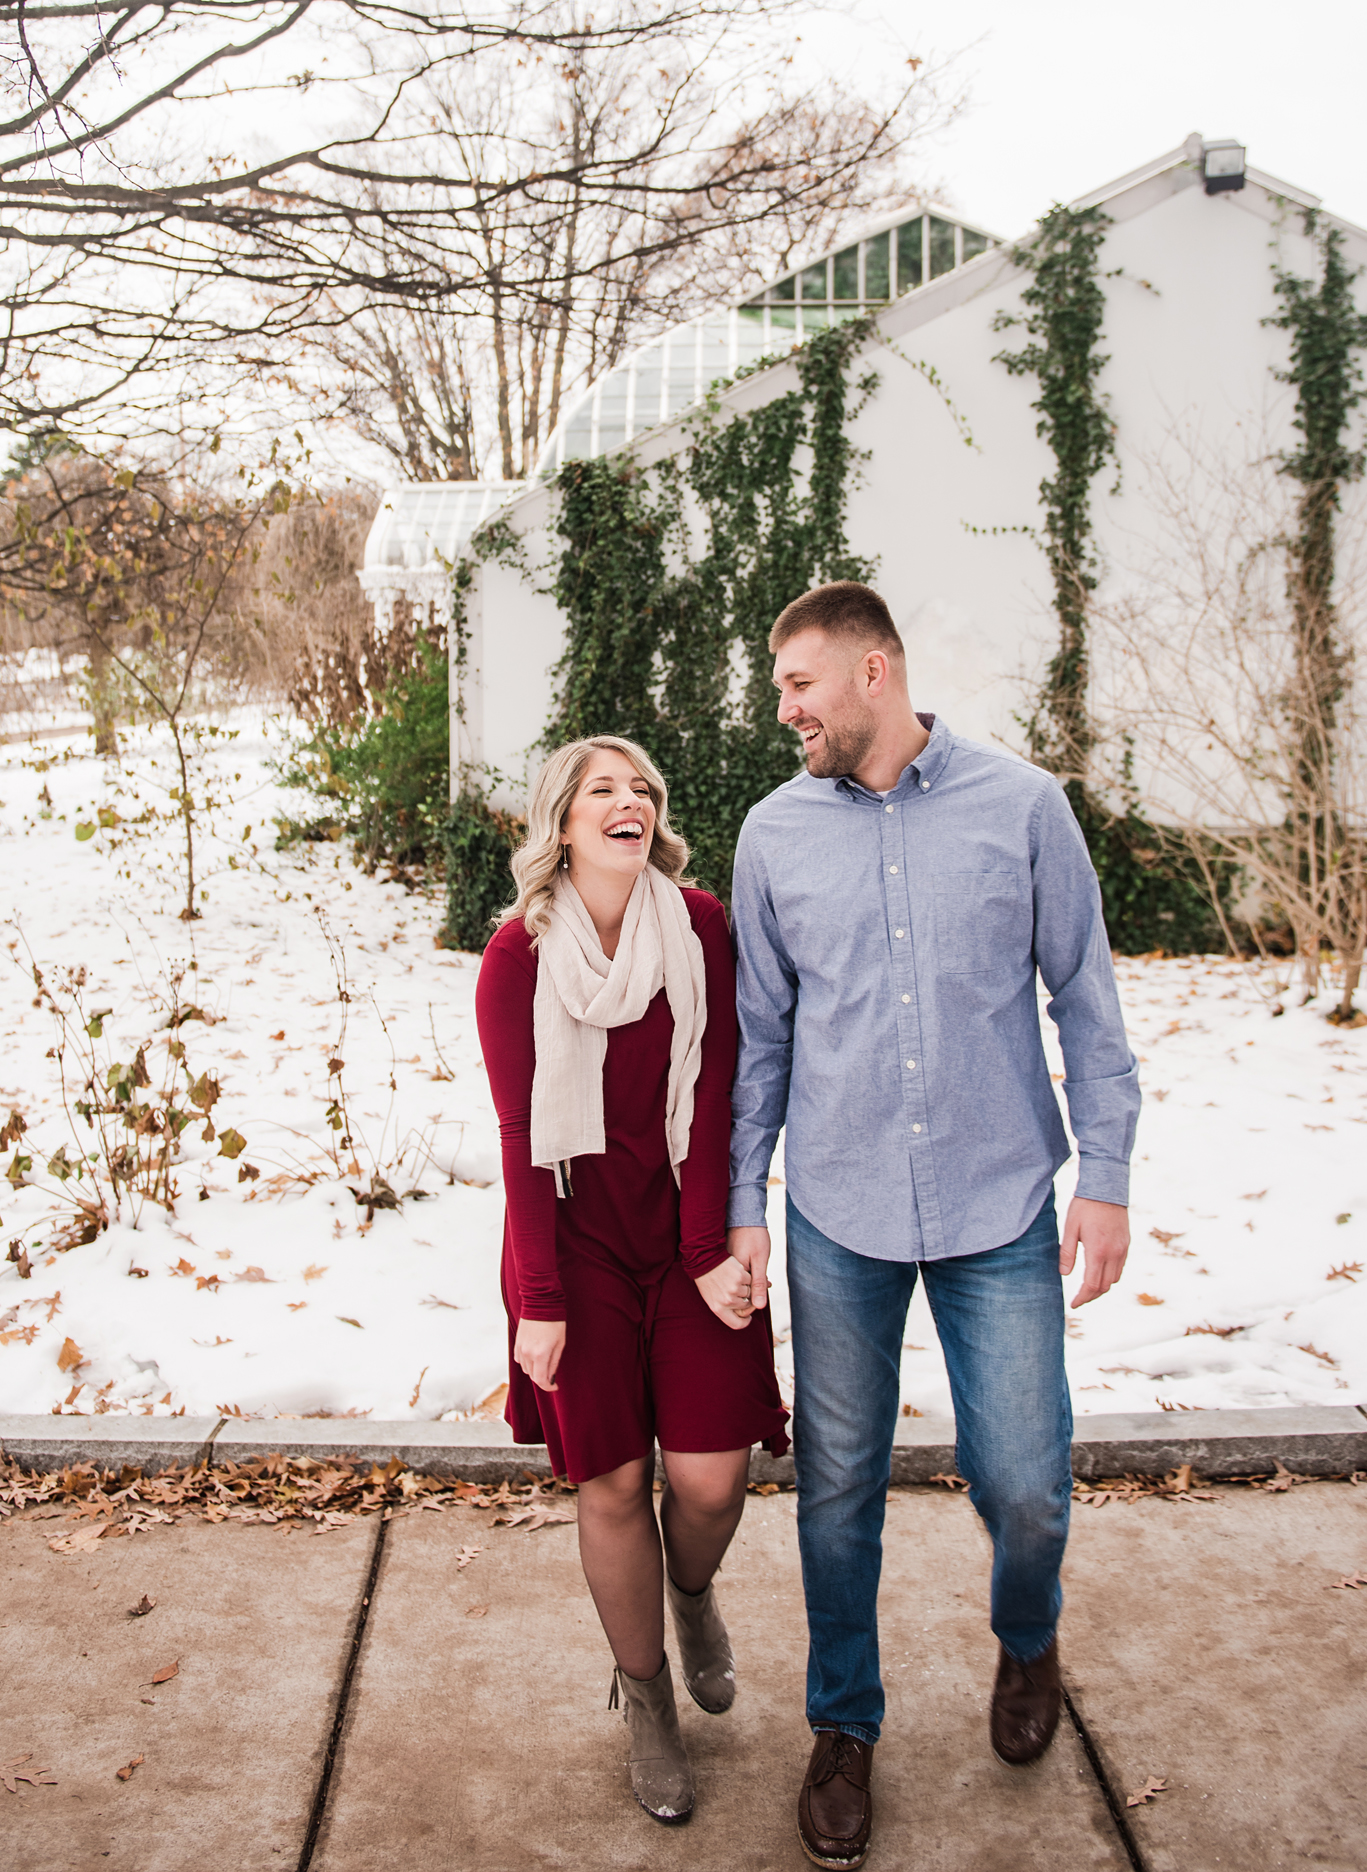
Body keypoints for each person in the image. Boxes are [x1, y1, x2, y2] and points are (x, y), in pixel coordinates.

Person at [725, 582, 1141, 1870]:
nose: (782, 708)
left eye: (798, 683)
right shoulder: (770, 835)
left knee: (1022, 1480)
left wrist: (1106, 1174)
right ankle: (842, 1726)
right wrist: (743, 1201)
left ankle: (1029, 1639)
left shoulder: (1020, 807)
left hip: (996, 1200)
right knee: (837, 1489)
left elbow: (1084, 996)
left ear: (874, 669)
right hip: (837, 1211)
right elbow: (760, 1042)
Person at [475, 734, 788, 1826]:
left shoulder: (697, 926)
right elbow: (520, 1134)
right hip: (573, 1244)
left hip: (686, 1233)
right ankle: (645, 1694)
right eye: (602, 789)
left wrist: (711, 1249)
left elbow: (719, 1098)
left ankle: (689, 1596)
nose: (629, 802)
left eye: (642, 787)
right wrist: (540, 1299)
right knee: (609, 1484)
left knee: (708, 1477)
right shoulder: (518, 953)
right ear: (561, 822)